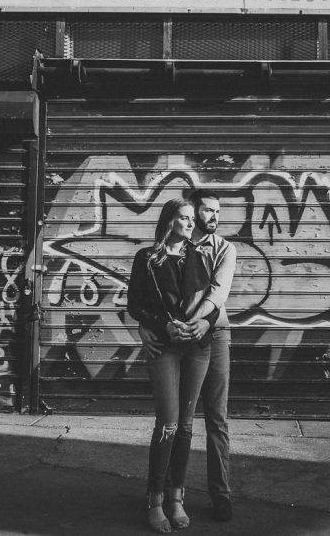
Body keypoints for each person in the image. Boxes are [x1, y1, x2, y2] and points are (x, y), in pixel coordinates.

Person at [139, 188, 237, 522]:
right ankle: (159, 498)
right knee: (171, 422)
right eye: (205, 211)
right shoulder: (157, 255)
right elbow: (141, 301)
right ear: (183, 216)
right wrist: (152, 325)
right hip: (171, 341)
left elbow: (216, 294)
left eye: (216, 212)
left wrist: (199, 323)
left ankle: (200, 495)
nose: (211, 217)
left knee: (203, 420)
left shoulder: (214, 251)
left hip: (206, 338)